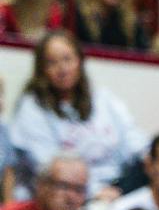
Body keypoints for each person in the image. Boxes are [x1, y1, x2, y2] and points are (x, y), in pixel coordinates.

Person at [9, 31, 147, 198]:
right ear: (41, 70)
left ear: (80, 61)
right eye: (52, 62)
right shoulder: (32, 107)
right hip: (67, 191)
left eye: (67, 59)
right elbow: (46, 166)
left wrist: (148, 157)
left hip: (117, 185)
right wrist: (95, 191)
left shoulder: (102, 98)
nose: (62, 69)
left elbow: (133, 138)